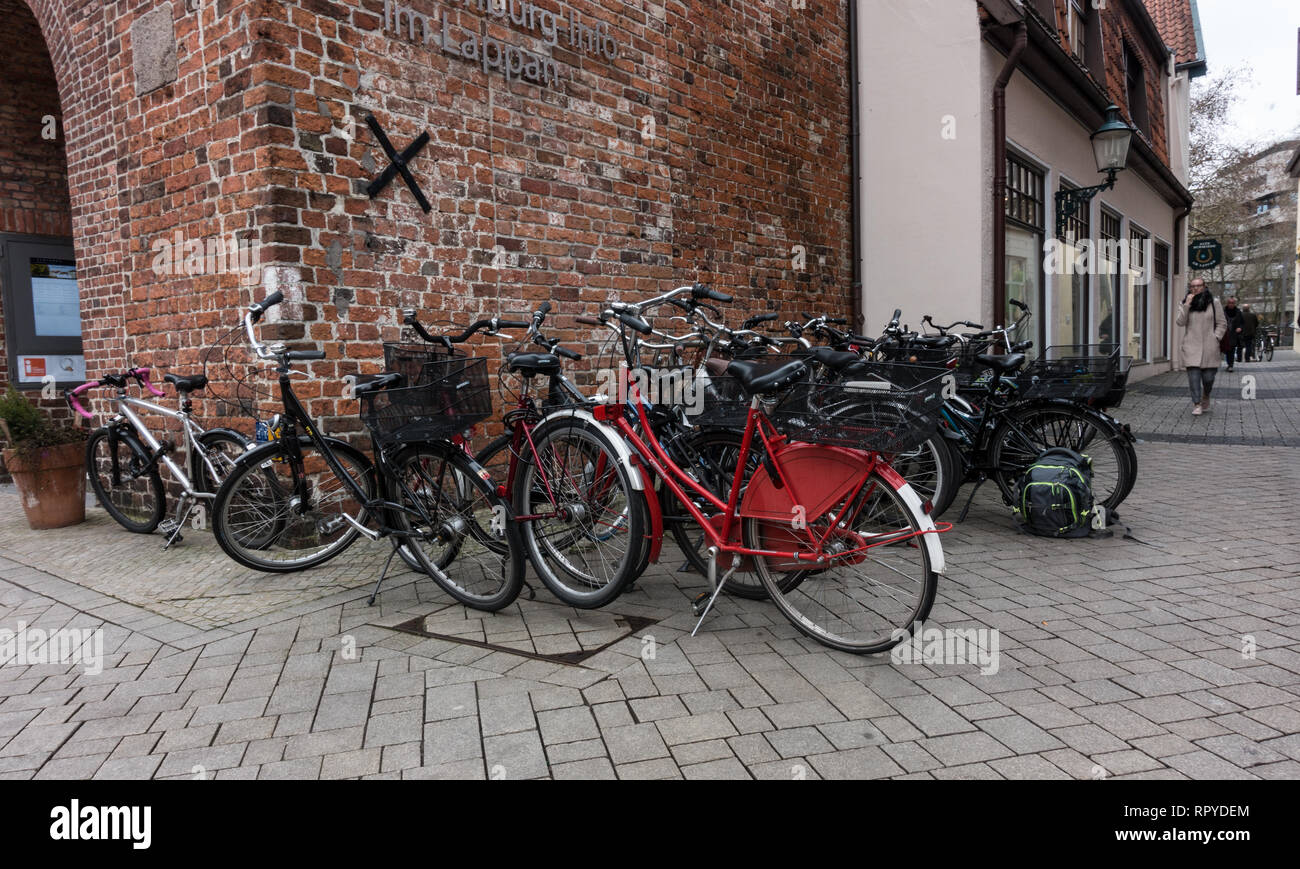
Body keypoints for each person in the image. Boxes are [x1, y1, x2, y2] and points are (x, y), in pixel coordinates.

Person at [1176, 278, 1227, 416]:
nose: (1195, 288)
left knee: (1209, 378)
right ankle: (1197, 403)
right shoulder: (1185, 302)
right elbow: (1180, 322)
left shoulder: (1214, 303)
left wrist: (1216, 337)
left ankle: (1206, 394)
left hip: (1210, 346)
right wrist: (1187, 305)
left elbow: (1222, 323)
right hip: (1191, 346)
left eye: (1198, 286)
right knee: (1193, 378)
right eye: (1193, 286)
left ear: (1204, 287)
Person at [1221, 296, 1243, 371]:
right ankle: (1229, 363)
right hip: (1225, 333)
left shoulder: (1238, 312)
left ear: (1235, 303)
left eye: (1232, 303)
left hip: (1234, 334)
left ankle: (1231, 365)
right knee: (1227, 350)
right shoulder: (1223, 311)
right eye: (1229, 303)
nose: (1231, 304)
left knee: (1232, 349)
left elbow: (1242, 322)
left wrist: (1240, 327)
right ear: (1227, 303)